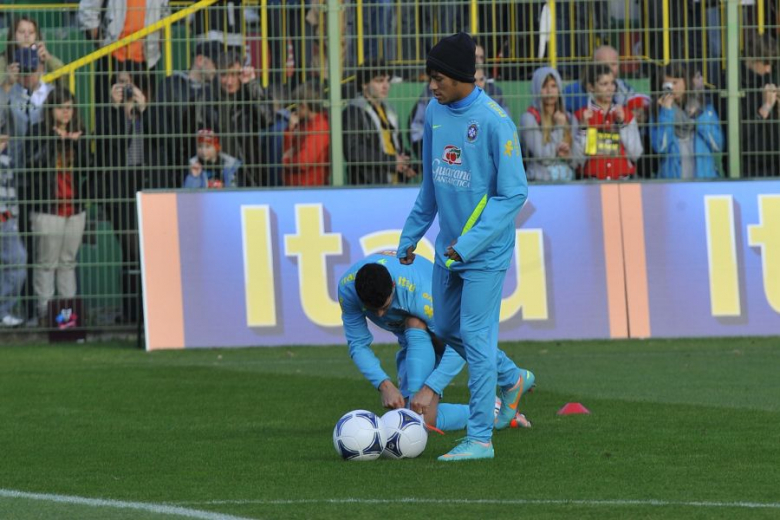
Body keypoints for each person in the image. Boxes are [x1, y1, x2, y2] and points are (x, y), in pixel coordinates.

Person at [397, 32, 531, 461]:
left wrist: (469, 245)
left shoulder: (495, 121)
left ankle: (480, 438)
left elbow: (514, 195)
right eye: (429, 77)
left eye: (437, 78)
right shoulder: (436, 111)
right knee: (448, 331)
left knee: (474, 335)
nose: (431, 86)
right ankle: (511, 378)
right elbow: (431, 185)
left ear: (459, 76)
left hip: (484, 253)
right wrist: (410, 235)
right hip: (446, 249)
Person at [338, 252, 534, 432]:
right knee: (420, 421)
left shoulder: (423, 294)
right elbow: (358, 345)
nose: (381, 315)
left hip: (440, 328)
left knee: (416, 419)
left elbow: (460, 345)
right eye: (373, 310)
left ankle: (502, 391)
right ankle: (503, 392)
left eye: (385, 306)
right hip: (412, 338)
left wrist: (429, 388)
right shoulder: (348, 291)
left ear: (394, 286)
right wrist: (384, 385)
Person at [25, 88, 90, 324]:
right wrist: (55, 141)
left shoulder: (79, 133)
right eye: (61, 107)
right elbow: (32, 165)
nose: (66, 112)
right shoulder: (38, 132)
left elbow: (87, 167)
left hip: (74, 209)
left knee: (68, 263)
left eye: (70, 107)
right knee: (46, 263)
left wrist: (76, 144)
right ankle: (45, 316)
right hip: (48, 209)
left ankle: (67, 319)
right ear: (50, 110)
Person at [154, 40, 222, 184]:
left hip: (203, 167)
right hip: (170, 163)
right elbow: (159, 124)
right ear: (200, 60)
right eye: (215, 65)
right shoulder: (171, 85)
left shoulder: (215, 91)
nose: (216, 70)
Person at [201, 51, 271, 187]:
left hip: (248, 171)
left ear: (241, 73)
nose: (229, 81)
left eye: (234, 74)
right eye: (224, 75)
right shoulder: (206, 98)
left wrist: (251, 84)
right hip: (217, 172)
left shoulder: (250, 93)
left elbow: (266, 119)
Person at [343, 59, 416, 185]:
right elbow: (353, 151)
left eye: (387, 80)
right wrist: (392, 161)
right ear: (364, 84)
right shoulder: (353, 111)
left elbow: (396, 145)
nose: (386, 86)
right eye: (379, 81)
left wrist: (406, 164)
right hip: (368, 185)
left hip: (396, 183)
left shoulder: (389, 110)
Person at [650, 63, 723, 179]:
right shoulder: (658, 110)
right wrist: (667, 112)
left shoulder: (703, 106)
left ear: (685, 82)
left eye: (675, 83)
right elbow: (660, 147)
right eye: (668, 84)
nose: (672, 88)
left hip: (703, 180)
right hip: (672, 183)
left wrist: (699, 116)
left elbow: (717, 144)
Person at [573, 63, 643, 180]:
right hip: (592, 183)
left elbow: (636, 154)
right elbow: (576, 160)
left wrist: (622, 125)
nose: (610, 88)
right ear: (591, 87)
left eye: (612, 83)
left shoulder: (626, 114)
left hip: (624, 181)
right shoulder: (580, 115)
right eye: (604, 84)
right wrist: (583, 129)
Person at [519, 66, 579, 181]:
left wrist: (569, 156)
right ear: (537, 89)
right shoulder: (529, 118)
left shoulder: (570, 118)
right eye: (544, 86)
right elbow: (544, 156)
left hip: (568, 184)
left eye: (553, 86)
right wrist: (559, 127)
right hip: (539, 183)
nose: (550, 91)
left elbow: (578, 161)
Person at [740, 31, 780, 177]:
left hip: (776, 162)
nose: (769, 68)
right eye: (765, 63)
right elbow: (736, 135)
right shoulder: (733, 82)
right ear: (752, 58)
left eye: (772, 63)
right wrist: (765, 108)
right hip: (748, 166)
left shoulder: (771, 76)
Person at [0, 132, 27, 327]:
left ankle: (3, 310)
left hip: (6, 217)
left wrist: (13, 212)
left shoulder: (7, 148)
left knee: (18, 262)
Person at [282, 82, 330, 186]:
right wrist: (290, 130)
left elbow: (303, 161)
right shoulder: (305, 124)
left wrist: (286, 161)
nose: (295, 110)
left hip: (309, 188)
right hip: (299, 185)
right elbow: (289, 150)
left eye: (297, 105)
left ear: (303, 105)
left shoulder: (319, 127)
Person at [563, 45, 634, 114]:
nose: (609, 69)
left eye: (613, 64)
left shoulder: (626, 89)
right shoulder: (571, 92)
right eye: (604, 64)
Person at [1, 16, 64, 94]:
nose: (26, 36)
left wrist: (49, 59)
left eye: (31, 32)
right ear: (13, 36)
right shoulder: (3, 60)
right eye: (21, 32)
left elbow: (64, 77)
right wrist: (8, 81)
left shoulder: (43, 57)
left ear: (36, 36)